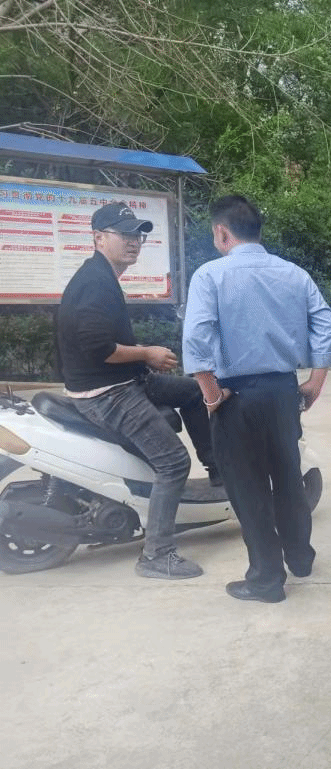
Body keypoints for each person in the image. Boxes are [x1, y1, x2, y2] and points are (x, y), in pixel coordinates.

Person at [183, 195, 331, 603]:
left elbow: (196, 337)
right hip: (284, 392)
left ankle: (266, 580)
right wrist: (316, 381)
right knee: (287, 475)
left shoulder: (210, 276)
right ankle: (300, 558)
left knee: (248, 489)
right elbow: (326, 323)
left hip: (236, 397)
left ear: (222, 232)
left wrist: (211, 396)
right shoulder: (294, 274)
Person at [57, 201, 218, 580]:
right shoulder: (95, 283)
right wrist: (147, 353)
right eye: (124, 234)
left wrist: (144, 357)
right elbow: (99, 348)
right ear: (99, 238)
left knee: (194, 392)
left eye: (138, 235)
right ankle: (156, 555)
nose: (133, 241)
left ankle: (219, 473)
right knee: (173, 462)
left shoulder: (102, 275)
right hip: (107, 393)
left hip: (121, 380)